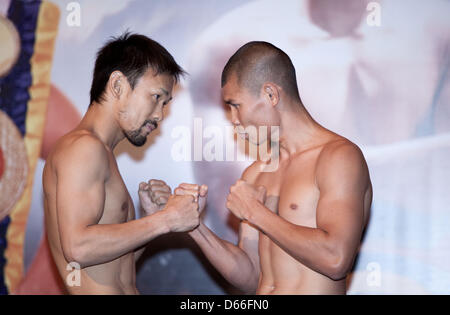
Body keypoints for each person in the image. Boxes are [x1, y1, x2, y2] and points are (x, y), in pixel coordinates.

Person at [177, 42, 372, 294]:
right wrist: (195, 226)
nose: (234, 121)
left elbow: (335, 259)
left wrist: (256, 213)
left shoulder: (338, 158)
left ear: (270, 94)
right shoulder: (256, 174)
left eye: (235, 105)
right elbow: (251, 276)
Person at [43, 32, 200, 294]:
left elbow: (115, 265)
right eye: (155, 97)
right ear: (117, 85)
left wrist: (150, 219)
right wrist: (166, 219)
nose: (159, 115)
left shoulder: (100, 152)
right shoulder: (83, 148)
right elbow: (78, 248)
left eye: (165, 103)